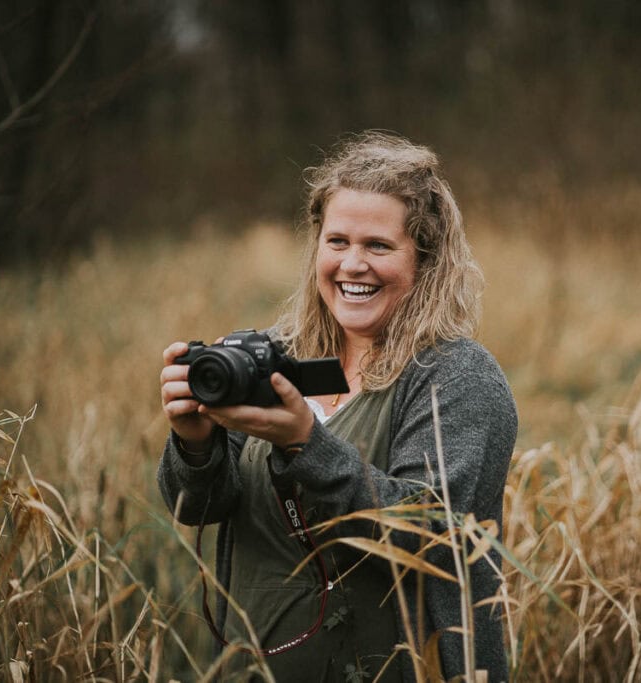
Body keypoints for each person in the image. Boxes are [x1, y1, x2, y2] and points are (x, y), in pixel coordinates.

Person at [157, 131, 517, 682]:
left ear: (424, 260)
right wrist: (195, 442)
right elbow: (197, 507)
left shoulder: (457, 376)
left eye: (378, 246)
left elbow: (429, 534)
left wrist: (306, 444)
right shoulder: (272, 359)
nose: (353, 264)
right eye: (337, 241)